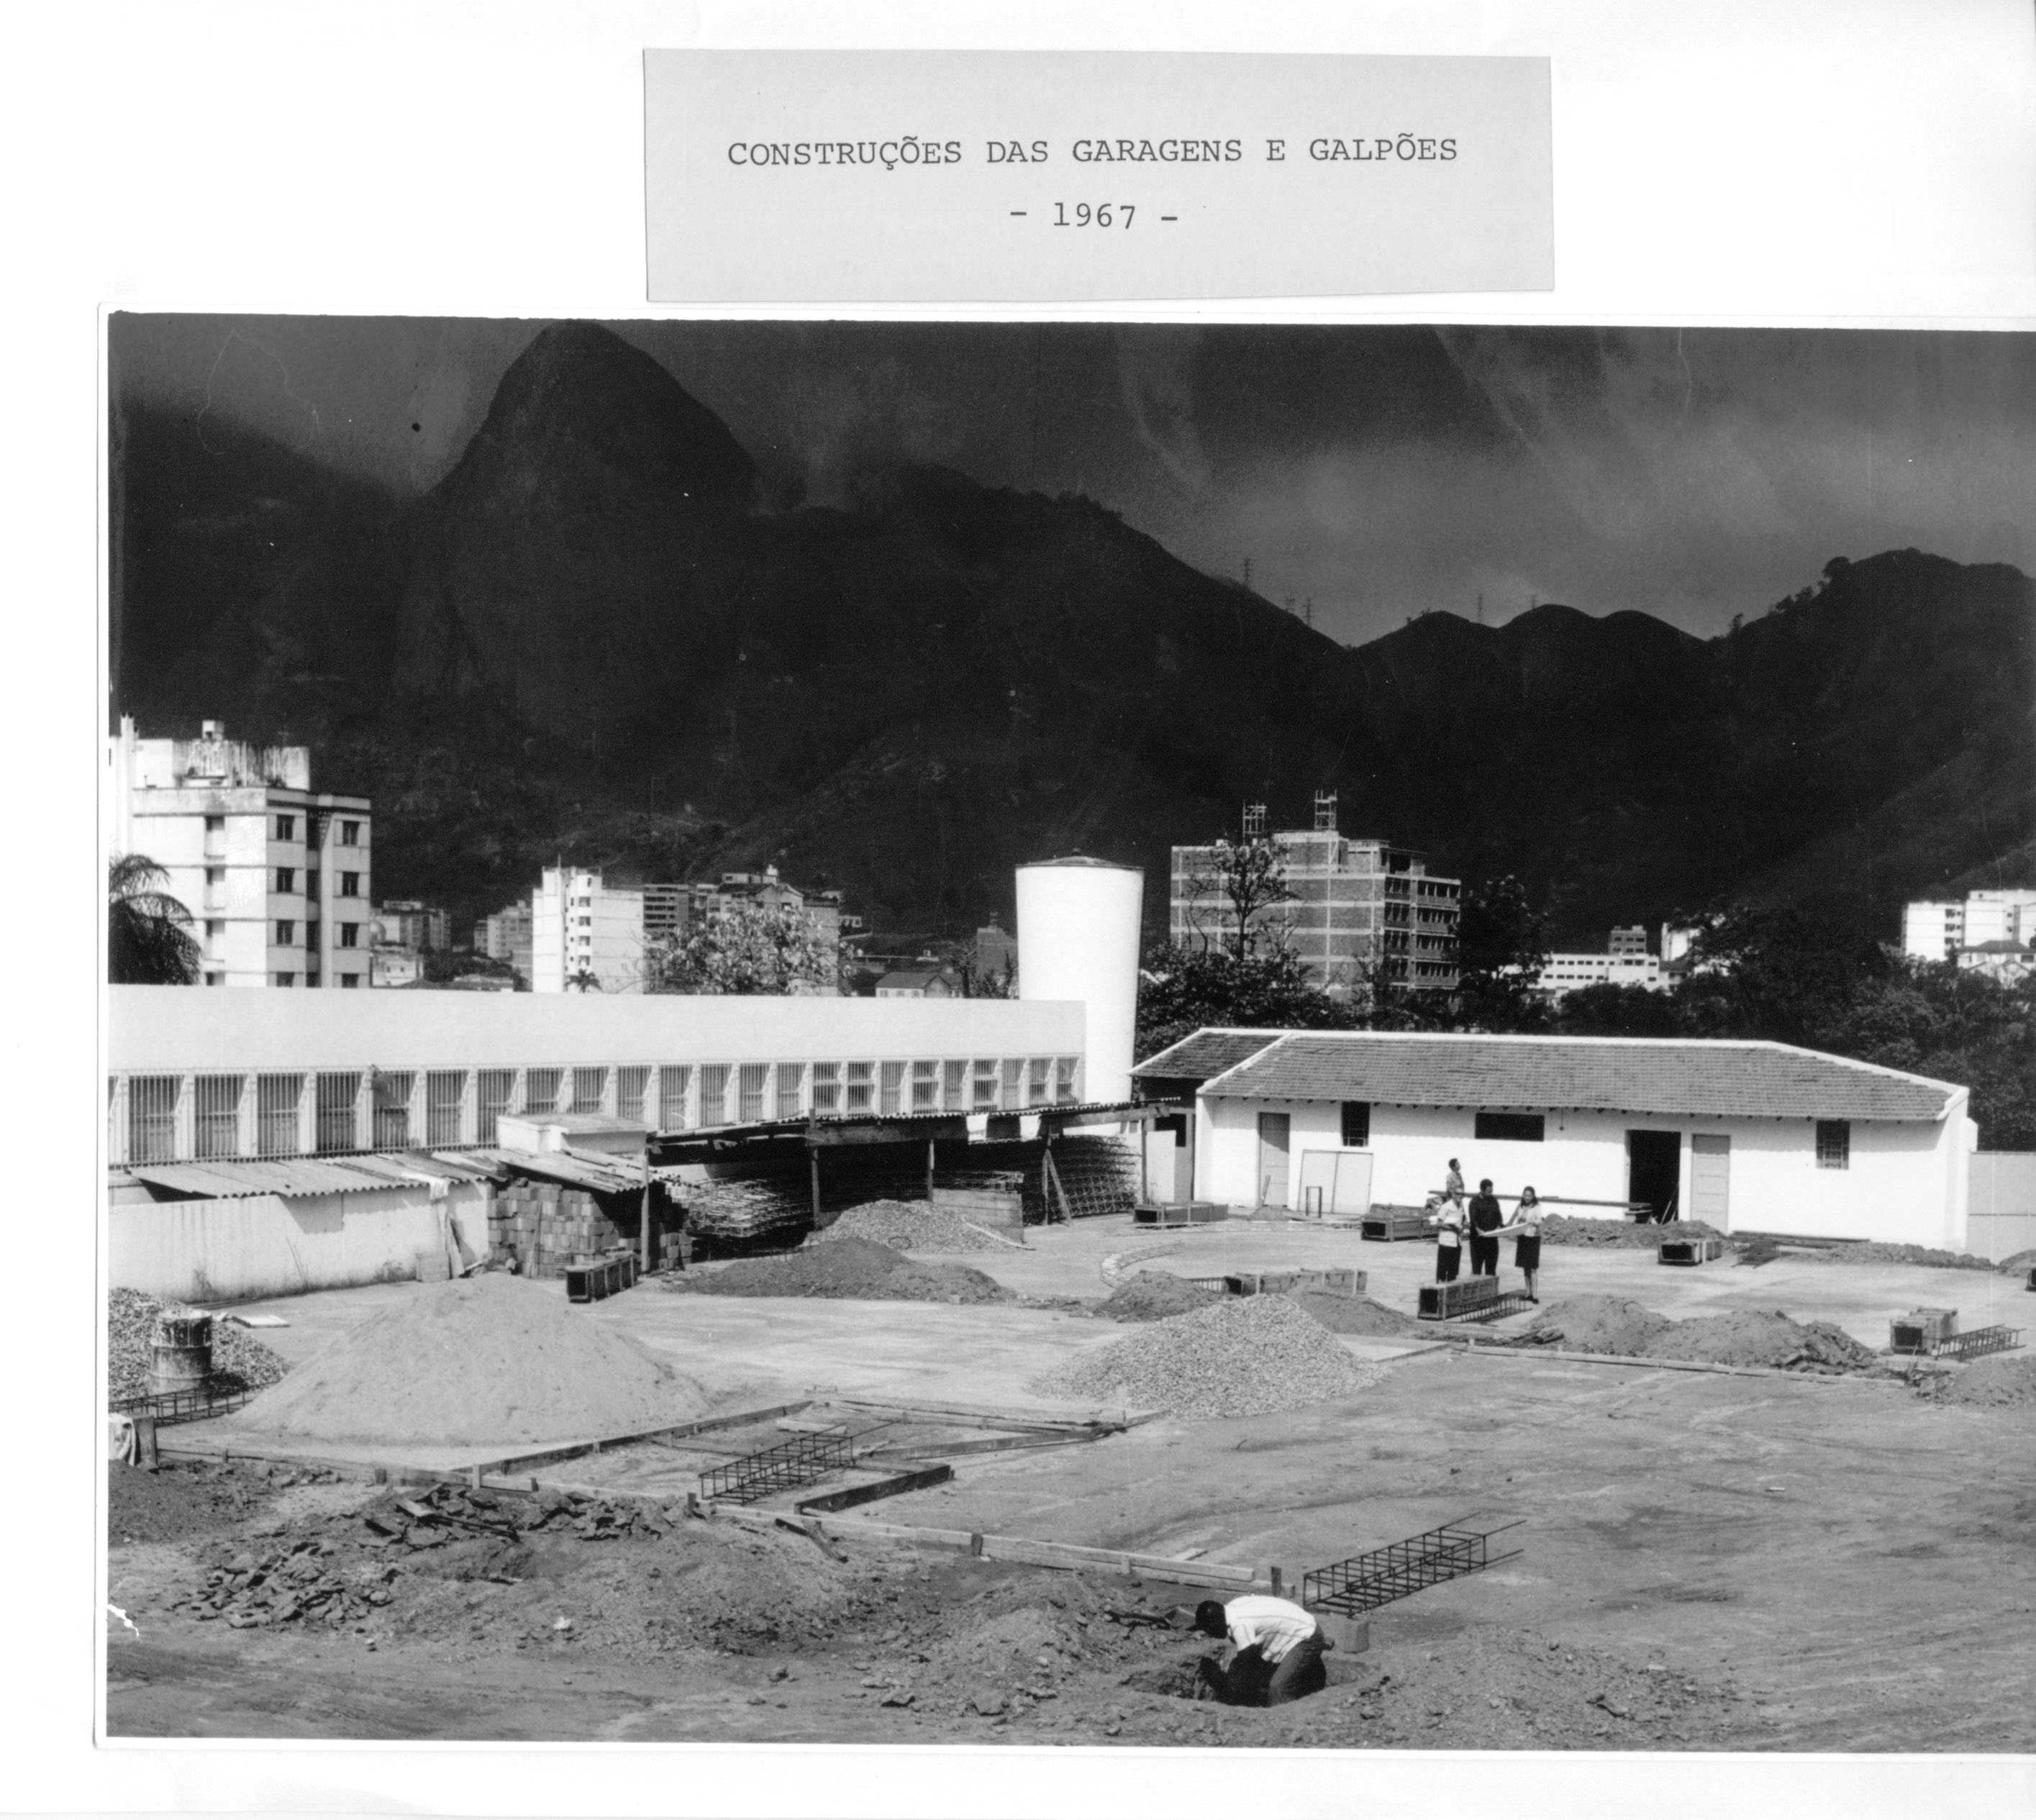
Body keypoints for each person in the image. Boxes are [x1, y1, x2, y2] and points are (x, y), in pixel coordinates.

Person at [1193, 1596, 1329, 1706]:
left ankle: (1282, 1724)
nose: (1210, 1635)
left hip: (1306, 1636)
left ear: (1215, 1624)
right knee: (1257, 1675)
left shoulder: (1240, 1626)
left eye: (1209, 1630)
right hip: (1299, 1626)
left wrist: (1227, 1688)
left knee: (1278, 1687)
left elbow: (1247, 1666)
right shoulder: (1232, 1608)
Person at [1510, 1186, 1544, 1301]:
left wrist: (1532, 1222)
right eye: (1525, 1195)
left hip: (1533, 1238)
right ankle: (1528, 1292)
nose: (1527, 1198)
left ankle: (1535, 1294)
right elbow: (1517, 1220)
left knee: (1533, 1268)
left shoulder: (1537, 1207)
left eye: (1529, 1196)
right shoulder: (1521, 1206)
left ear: (1533, 1196)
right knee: (1525, 1267)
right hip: (1523, 1237)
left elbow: (1540, 1220)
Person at [1468, 1178, 1505, 1278]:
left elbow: (1499, 1216)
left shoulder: (1494, 1201)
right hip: (1477, 1241)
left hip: (1492, 1241)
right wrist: (1478, 1229)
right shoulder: (1474, 1202)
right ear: (1482, 1190)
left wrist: (1499, 1226)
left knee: (1491, 1271)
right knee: (1477, 1271)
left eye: (1492, 1191)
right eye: (1489, 1191)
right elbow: (1473, 1219)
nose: (1491, 1193)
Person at [1430, 1191, 1465, 1281]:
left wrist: (1462, 1227)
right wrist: (1453, 1229)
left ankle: (1451, 1286)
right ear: (1453, 1195)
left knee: (1453, 1272)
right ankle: (1440, 1287)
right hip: (1446, 1242)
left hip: (1457, 1242)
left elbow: (1461, 1222)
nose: (1461, 1196)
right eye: (1458, 1194)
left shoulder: (1461, 1207)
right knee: (1442, 1271)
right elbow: (1439, 1223)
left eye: (1462, 1194)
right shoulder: (1446, 1207)